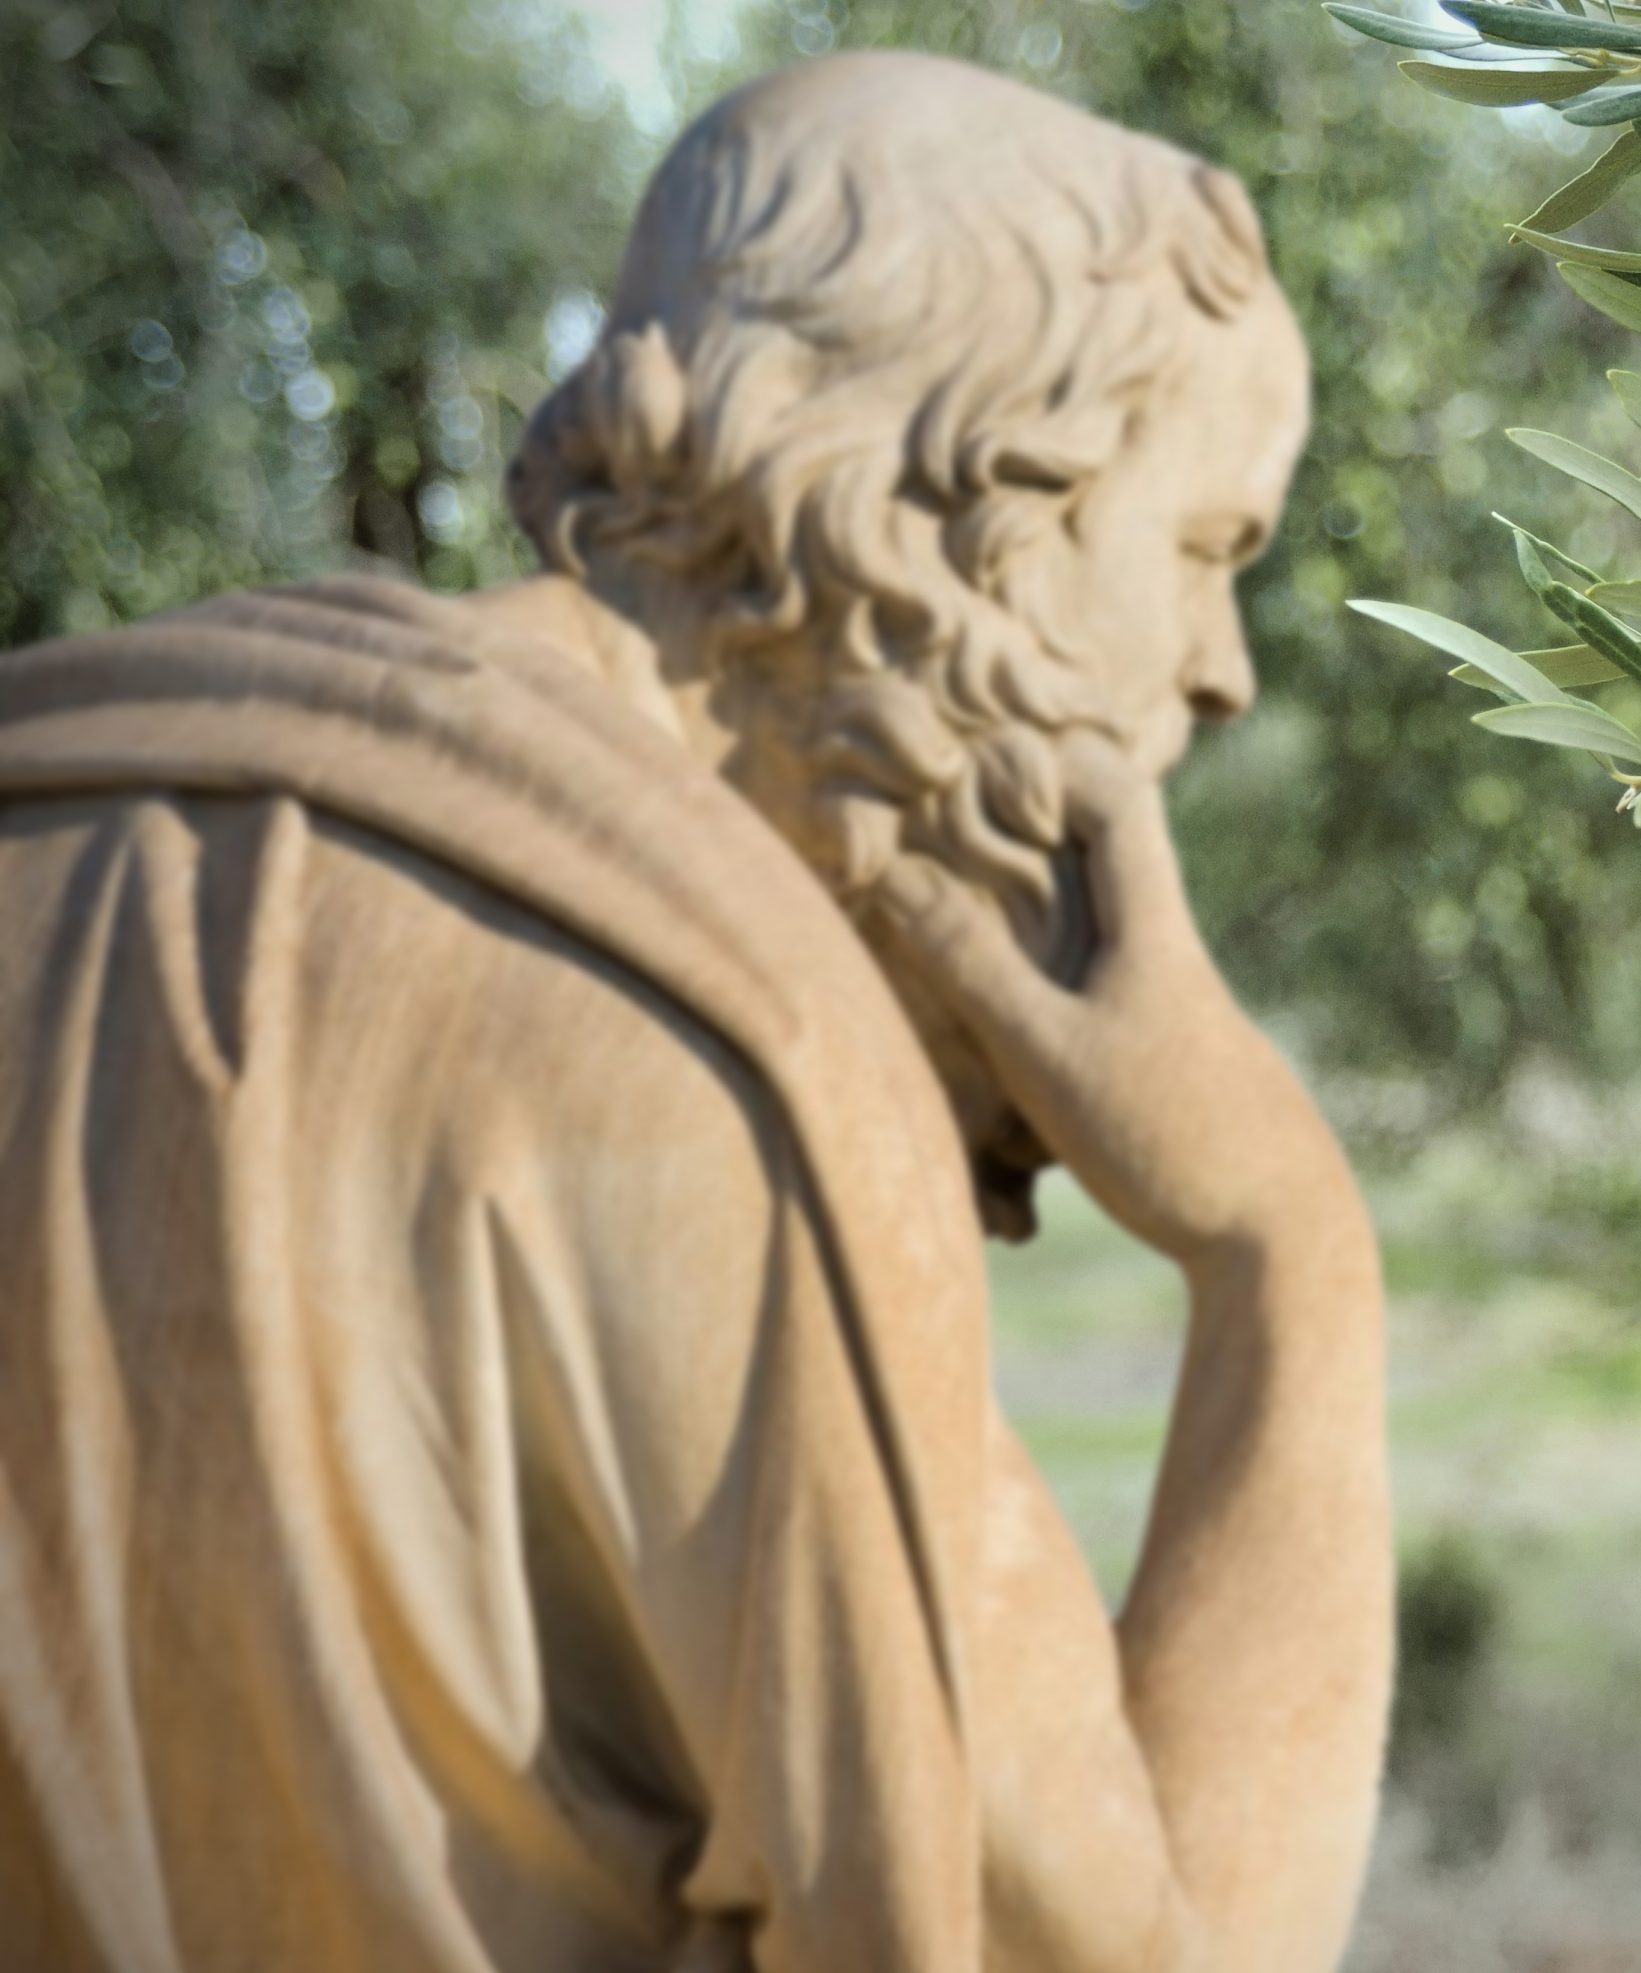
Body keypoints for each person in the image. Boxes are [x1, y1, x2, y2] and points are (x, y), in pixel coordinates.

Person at [0, 51, 1391, 1973]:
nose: (1223, 674)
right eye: (1205, 549)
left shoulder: (63, 805)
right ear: (958, 490)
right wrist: (1284, 1250)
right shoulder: (729, 1071)